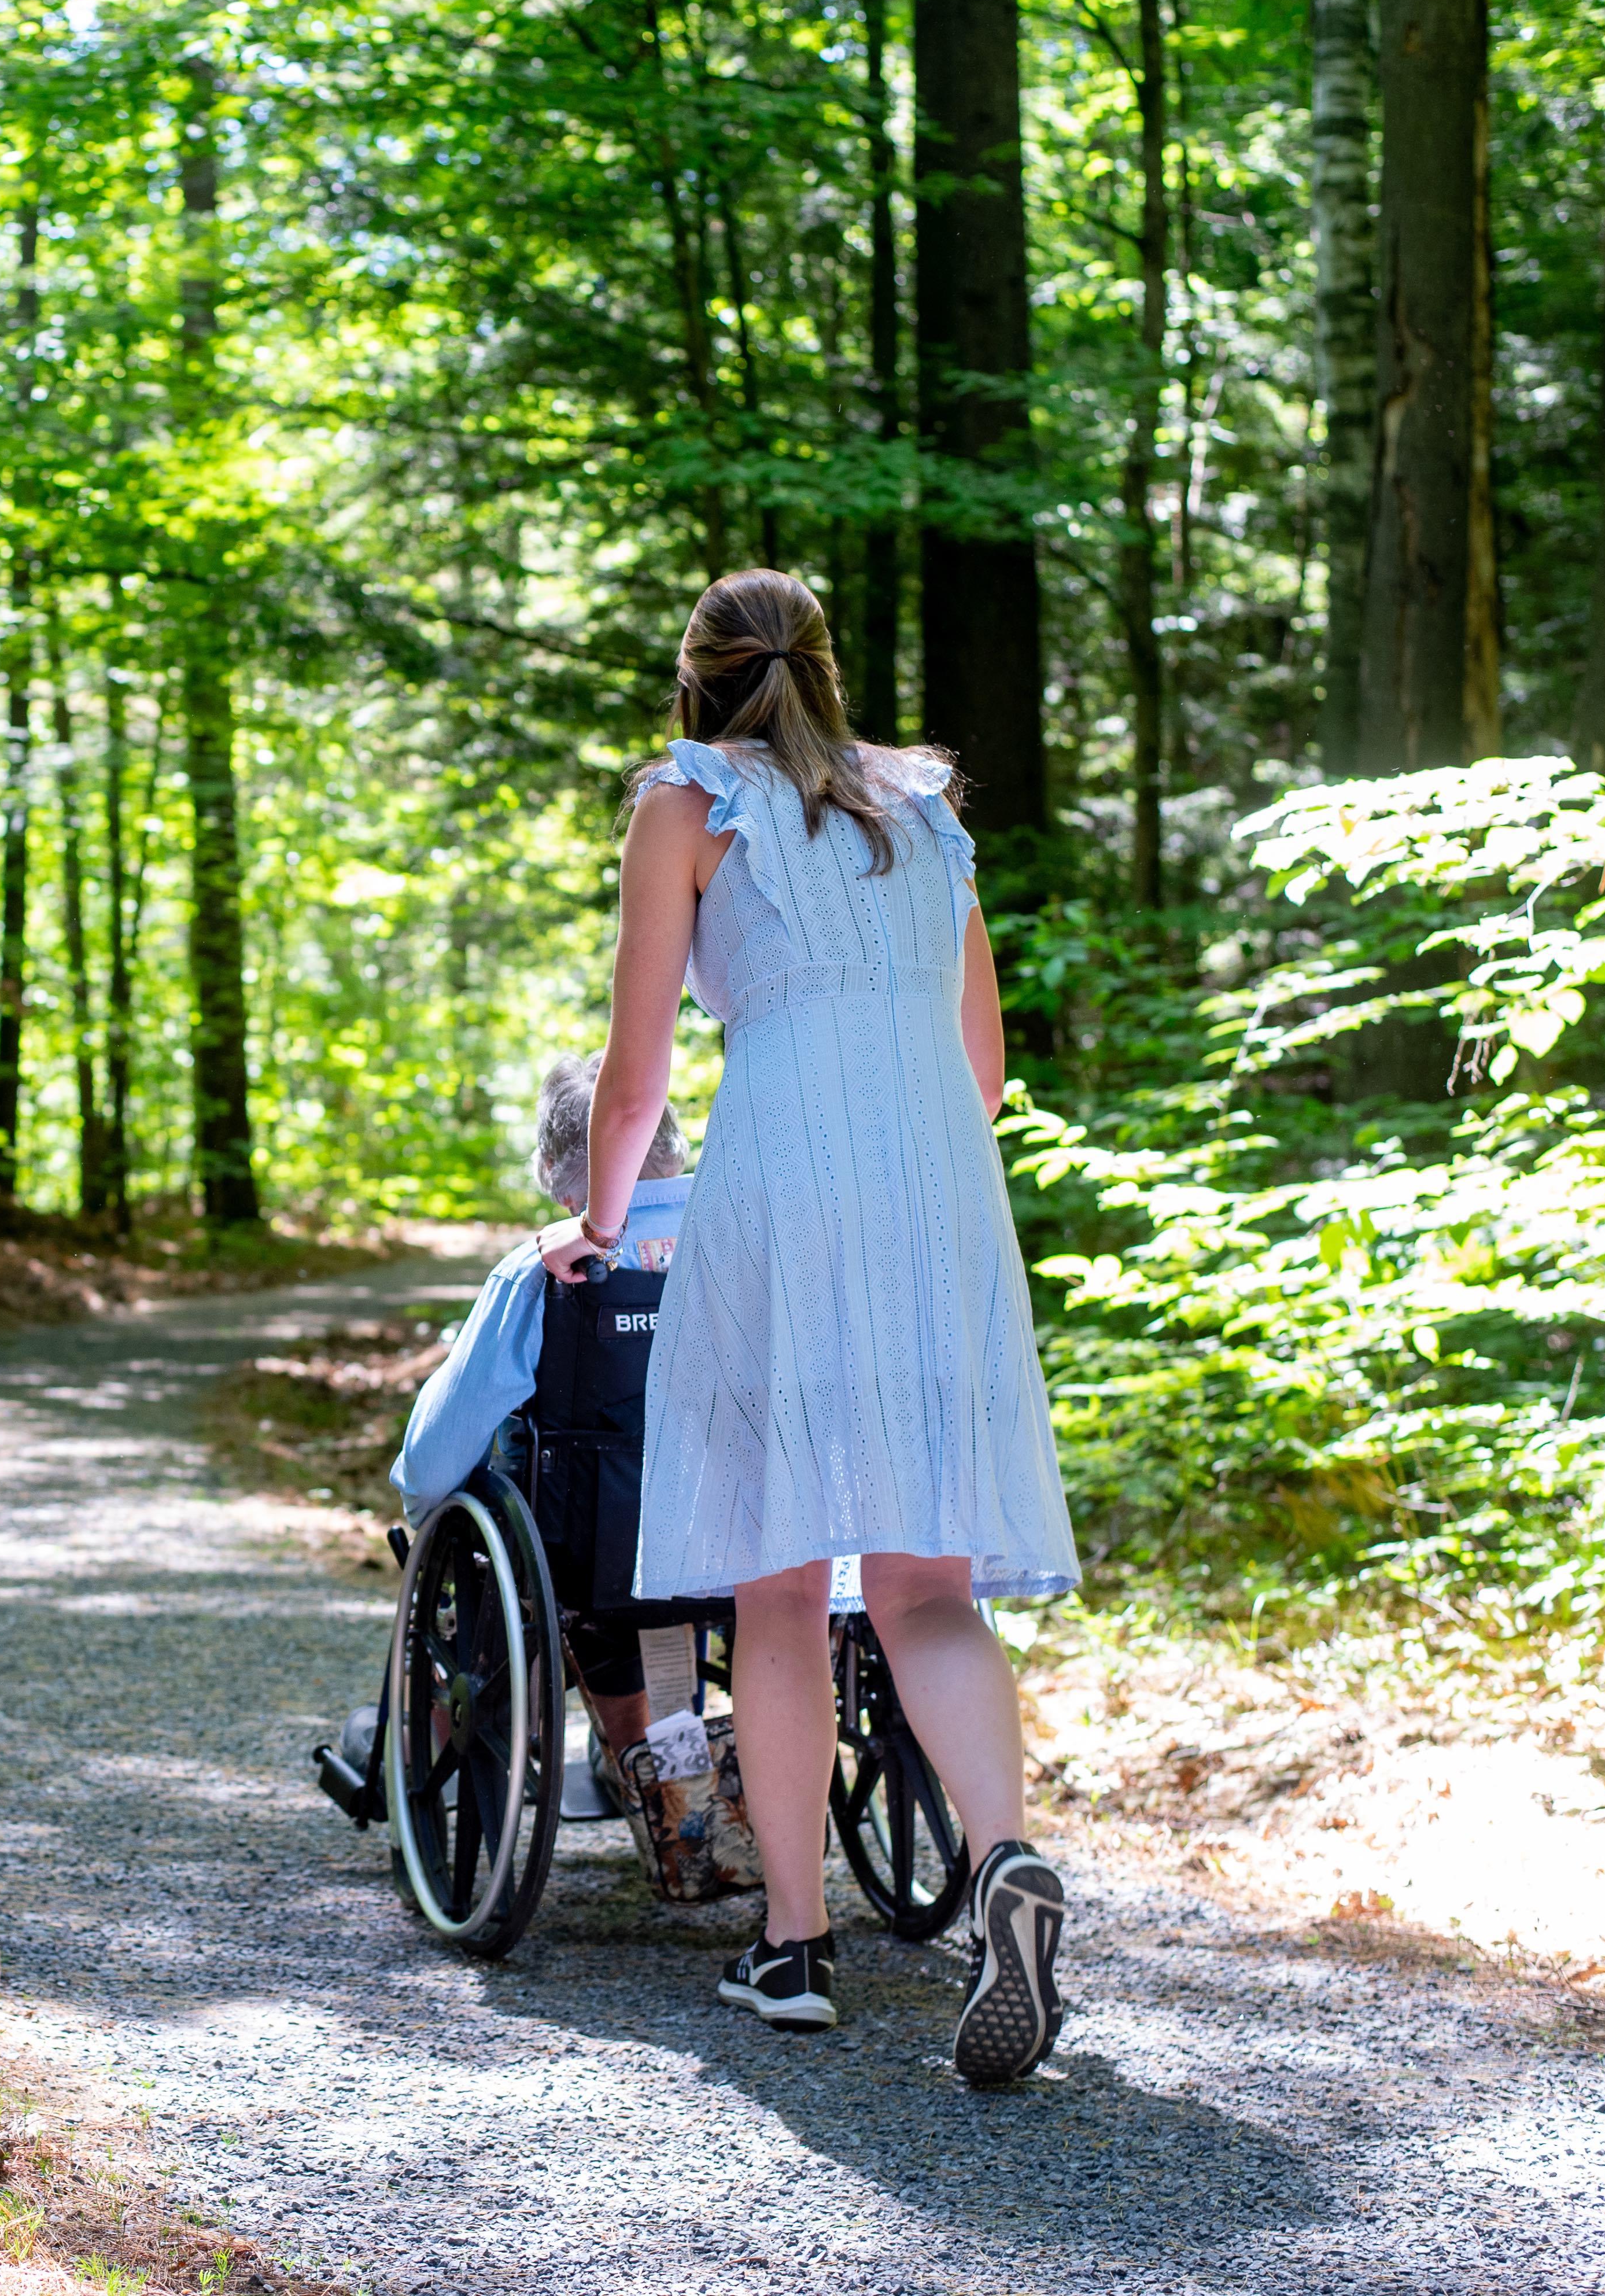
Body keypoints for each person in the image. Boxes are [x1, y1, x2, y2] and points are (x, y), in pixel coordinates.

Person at [534, 567, 1079, 2084]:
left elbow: (633, 1083)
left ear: (697, 681)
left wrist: (595, 1231)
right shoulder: (927, 810)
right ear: (828, 671)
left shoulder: (683, 804)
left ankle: (793, 1945)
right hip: (938, 1200)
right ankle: (1008, 1861)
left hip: (780, 1189)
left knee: (775, 1588)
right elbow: (983, 1073)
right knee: (923, 1582)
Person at [389, 1051, 692, 1764]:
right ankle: (657, 1754)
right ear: (674, 1144)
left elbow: (432, 1461)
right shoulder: (749, 1236)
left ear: (556, 1177)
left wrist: (418, 1500)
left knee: (550, 1540)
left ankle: (454, 1740)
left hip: (596, 1550)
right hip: (745, 1538)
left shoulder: (542, 1270)